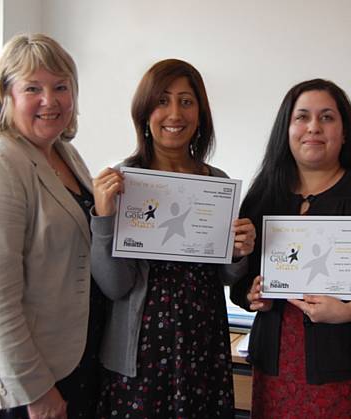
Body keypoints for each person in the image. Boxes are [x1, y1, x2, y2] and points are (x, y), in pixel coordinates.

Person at [230, 79, 351, 418]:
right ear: (286, 129)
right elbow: (241, 280)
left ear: (344, 132)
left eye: (327, 117)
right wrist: (252, 293)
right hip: (278, 368)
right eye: (302, 117)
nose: (313, 127)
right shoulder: (263, 195)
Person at [90, 59, 256, 418]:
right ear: (145, 111)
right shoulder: (123, 181)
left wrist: (239, 250)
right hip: (141, 350)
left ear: (200, 113)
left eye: (186, 101)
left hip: (204, 341)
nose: (174, 113)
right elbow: (114, 286)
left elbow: (226, 276)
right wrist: (104, 219)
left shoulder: (217, 180)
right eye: (163, 100)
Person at [0, 33, 104, 419]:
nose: (49, 101)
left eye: (60, 87)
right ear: (6, 95)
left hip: (66, 364)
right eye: (32, 88)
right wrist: (35, 392)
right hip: (16, 386)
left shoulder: (65, 155)